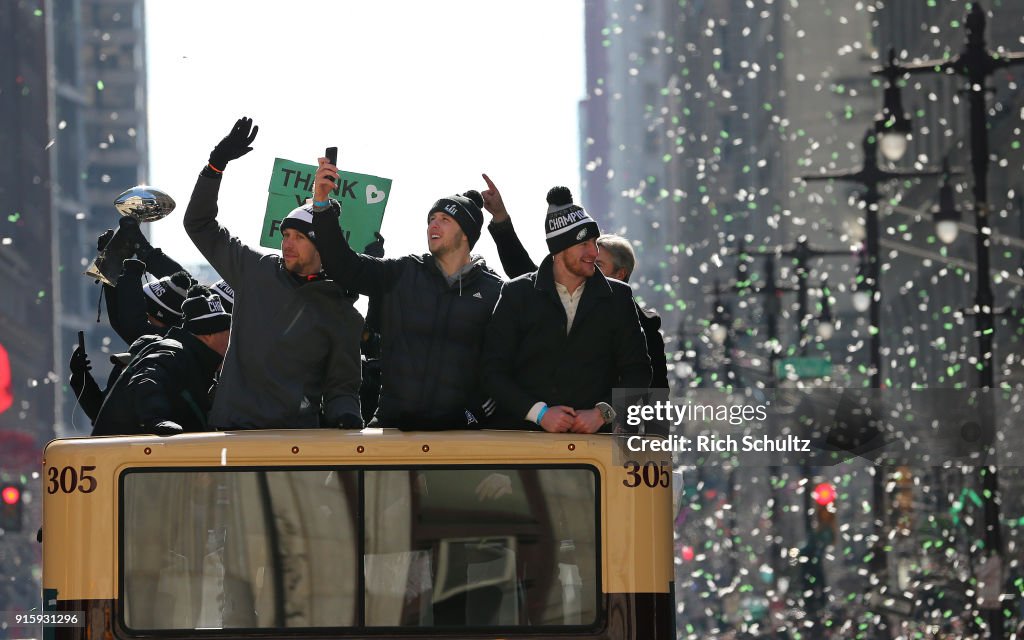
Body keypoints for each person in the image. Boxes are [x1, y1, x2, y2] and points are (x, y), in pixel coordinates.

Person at [183, 117, 363, 429]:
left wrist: (347, 419)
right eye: (286, 235)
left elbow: (342, 389)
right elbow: (198, 225)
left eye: (300, 237)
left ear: (323, 249)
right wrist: (216, 164)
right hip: (231, 437)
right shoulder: (255, 268)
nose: (287, 244)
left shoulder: (342, 312)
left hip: (293, 451)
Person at [310, 157, 503, 429]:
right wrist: (321, 205)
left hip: (461, 440)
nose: (433, 225)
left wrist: (475, 416)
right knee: (342, 474)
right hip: (392, 429)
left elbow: (508, 366)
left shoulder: (495, 292)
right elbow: (345, 266)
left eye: (445, 219)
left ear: (466, 235)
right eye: (431, 219)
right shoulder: (403, 273)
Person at [482, 186, 651, 433]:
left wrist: (602, 413)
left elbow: (638, 372)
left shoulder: (619, 297)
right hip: (522, 444)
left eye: (594, 242)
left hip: (594, 455)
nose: (593, 252)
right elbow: (491, 372)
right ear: (559, 249)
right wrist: (540, 413)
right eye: (584, 243)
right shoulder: (516, 294)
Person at [91, 285, 230, 436]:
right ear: (207, 335)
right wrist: (155, 418)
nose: (231, 342)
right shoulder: (172, 352)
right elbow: (147, 378)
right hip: (121, 456)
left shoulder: (197, 365)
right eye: (227, 334)